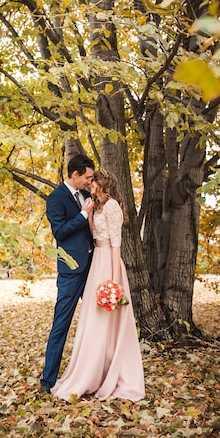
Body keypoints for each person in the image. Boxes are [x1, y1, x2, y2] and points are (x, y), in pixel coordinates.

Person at [51, 168, 145, 402]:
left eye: (94, 181)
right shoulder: (98, 205)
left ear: (103, 184)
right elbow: (94, 234)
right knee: (93, 320)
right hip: (96, 265)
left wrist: (113, 282)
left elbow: (116, 245)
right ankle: (92, 371)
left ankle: (111, 372)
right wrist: (88, 214)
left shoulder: (112, 206)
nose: (90, 184)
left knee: (109, 321)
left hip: (109, 265)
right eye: (89, 180)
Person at [40, 154, 95, 395]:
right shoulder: (56, 199)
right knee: (61, 324)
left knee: (98, 321)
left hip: (94, 266)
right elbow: (60, 232)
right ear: (75, 174)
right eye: (87, 177)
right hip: (71, 270)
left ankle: (94, 374)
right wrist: (83, 215)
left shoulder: (87, 195)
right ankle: (47, 380)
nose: (89, 182)